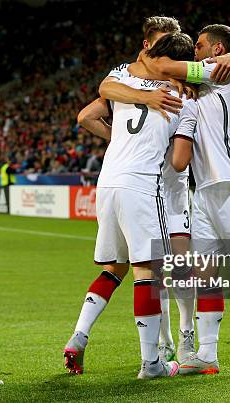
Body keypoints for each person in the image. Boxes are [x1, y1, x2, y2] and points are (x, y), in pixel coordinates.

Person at [141, 24, 230, 375]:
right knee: (206, 273)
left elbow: (163, 67)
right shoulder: (197, 88)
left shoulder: (220, 73)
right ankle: (207, 353)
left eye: (199, 45)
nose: (194, 50)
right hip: (204, 192)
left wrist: (148, 55)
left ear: (217, 49)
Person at [96, 16, 230, 365]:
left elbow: (179, 161)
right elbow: (95, 103)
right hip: (150, 191)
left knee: (178, 271)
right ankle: (164, 345)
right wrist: (146, 100)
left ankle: (186, 337)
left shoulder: (189, 81)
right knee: (159, 271)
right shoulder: (130, 77)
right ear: (147, 45)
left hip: (174, 195)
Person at [65, 31, 197, 380]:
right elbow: (181, 162)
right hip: (143, 185)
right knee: (149, 272)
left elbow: (92, 107)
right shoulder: (181, 98)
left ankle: (78, 336)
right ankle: (152, 362)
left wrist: (120, 138)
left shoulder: (124, 82)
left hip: (107, 183)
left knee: (115, 267)